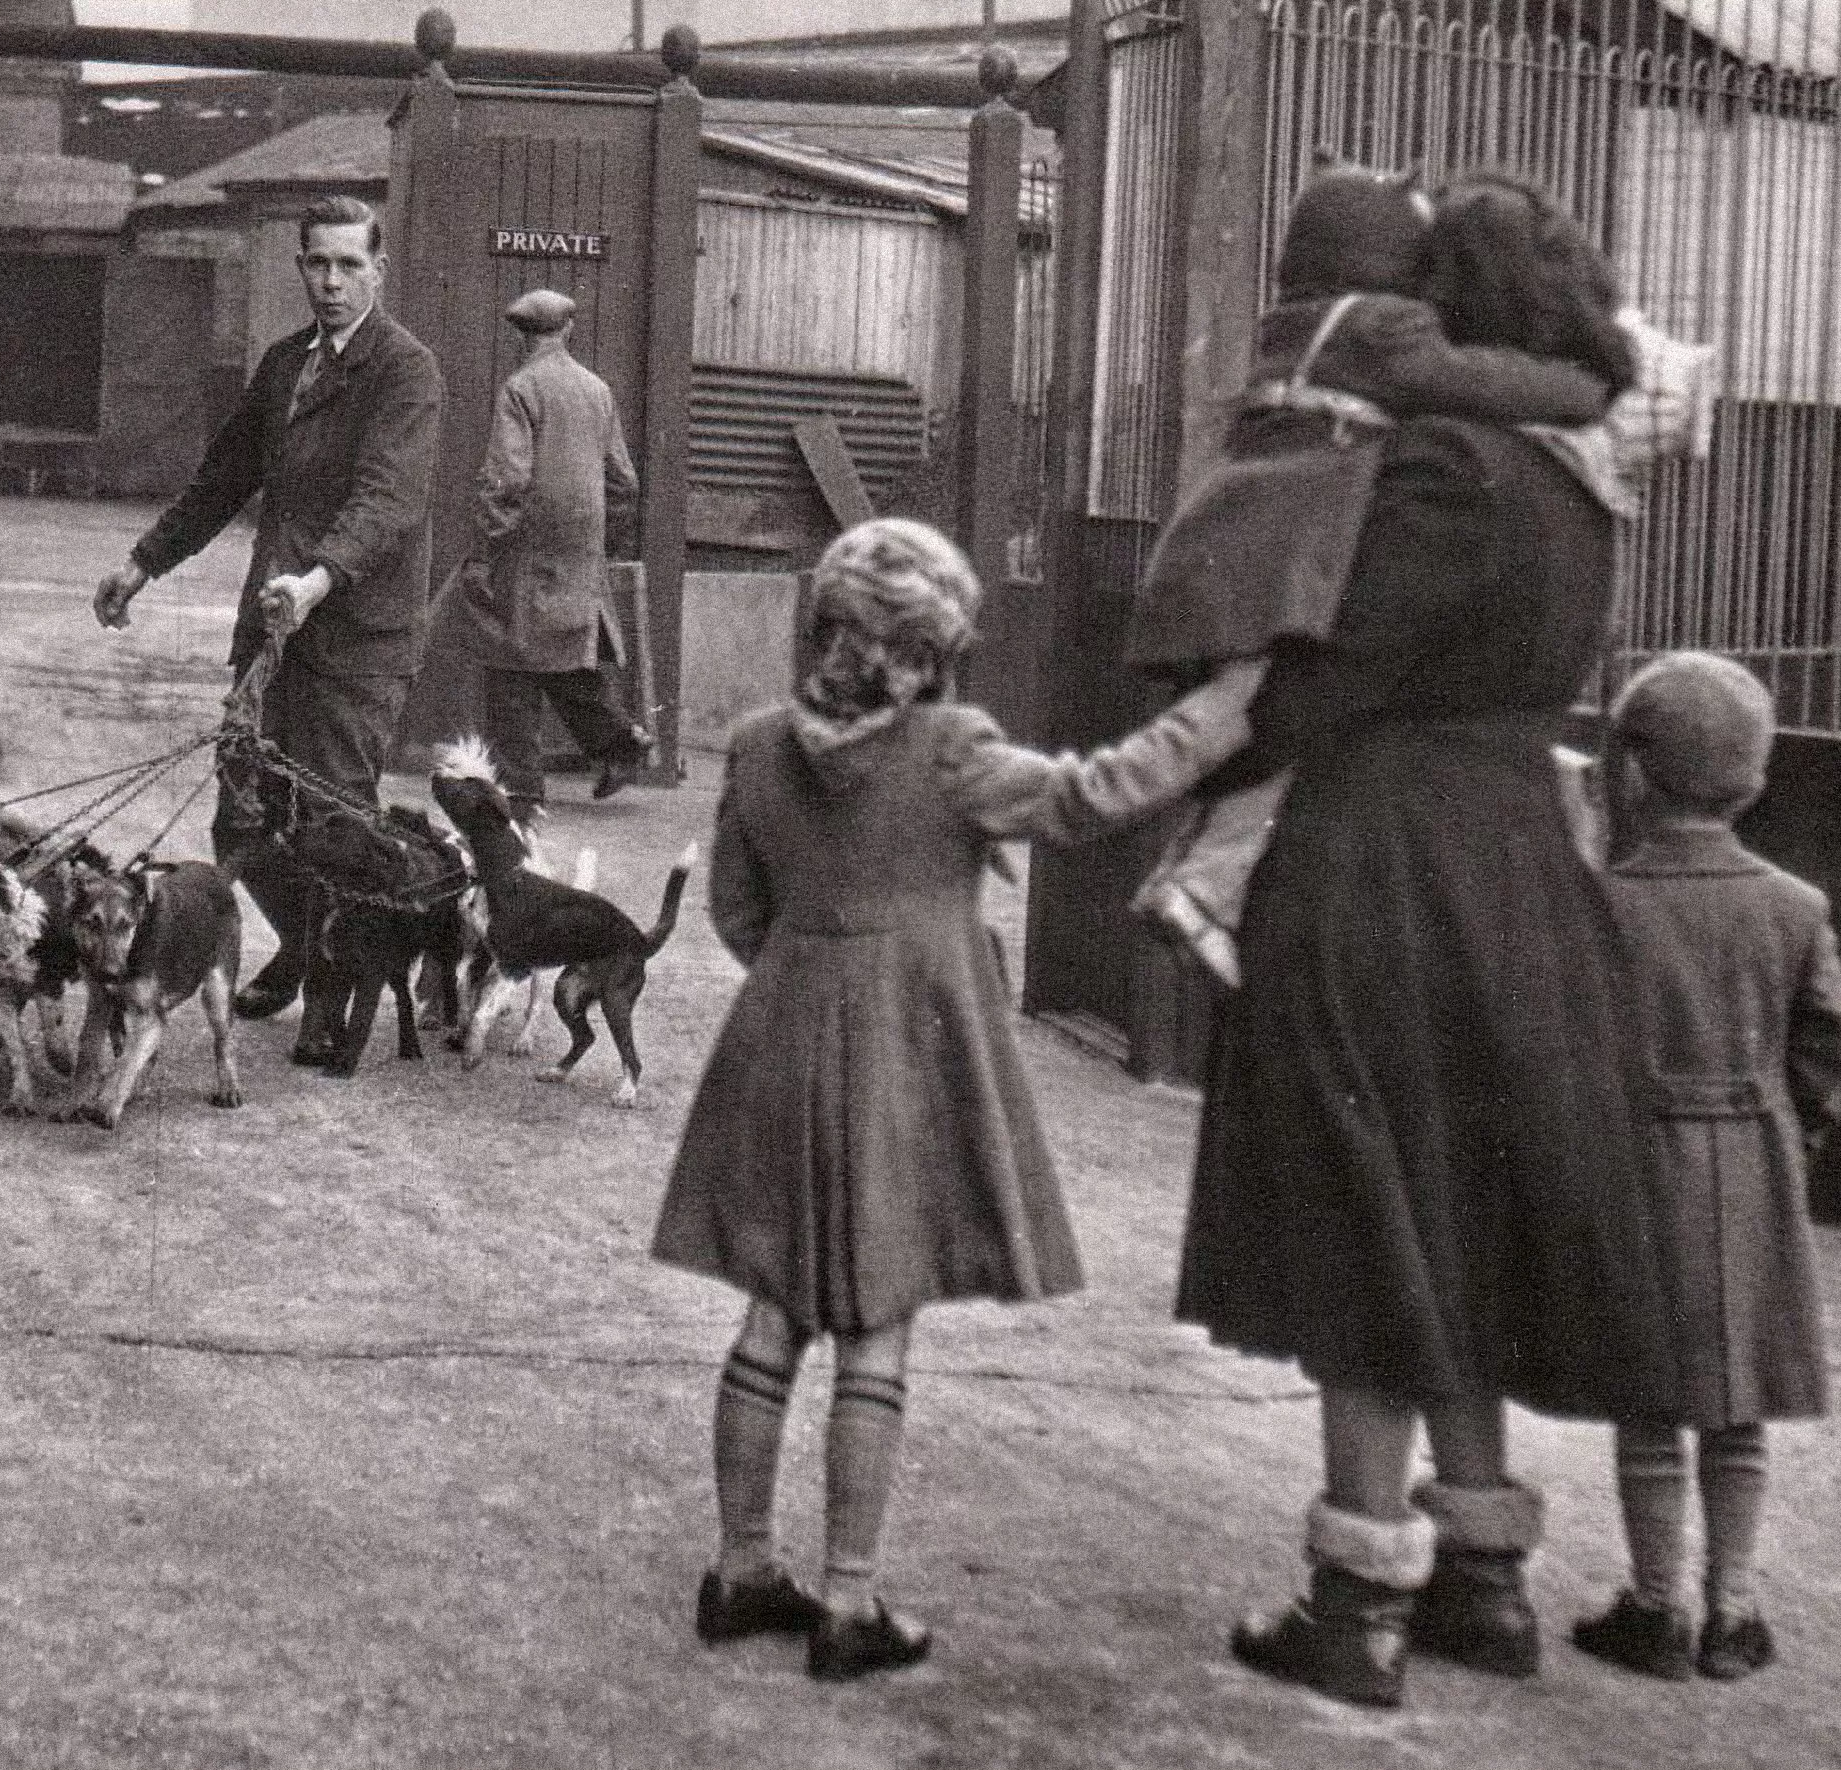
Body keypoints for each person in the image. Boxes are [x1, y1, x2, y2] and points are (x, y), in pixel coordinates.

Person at [1172, 173, 1700, 1709]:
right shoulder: (1581, 477)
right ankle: (1484, 1577)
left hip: (1380, 858)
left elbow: (1330, 678)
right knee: (1459, 1202)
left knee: (1360, 1211)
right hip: (1521, 860)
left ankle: (1355, 1606)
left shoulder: (1442, 467)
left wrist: (1205, 740)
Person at [650, 516, 1265, 1681]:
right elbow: (1094, 797)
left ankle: (738, 1572)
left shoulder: (755, 745)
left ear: (822, 623)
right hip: (903, 1050)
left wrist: (808, 974)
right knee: (876, 1316)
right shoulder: (949, 750)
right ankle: (849, 1603)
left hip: (775, 1039)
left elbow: (737, 917)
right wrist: (1230, 705)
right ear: (931, 649)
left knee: (771, 1310)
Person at [1120, 161, 1616, 985]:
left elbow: (1312, 698)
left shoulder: (1321, 346)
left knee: (1235, 730)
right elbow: (1472, 381)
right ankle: (1200, 880)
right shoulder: (1564, 478)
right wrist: (1580, 389)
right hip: (1472, 841)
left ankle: (1196, 870)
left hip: (1240, 554)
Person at [1571, 652, 1841, 1682]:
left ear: (1631, 776)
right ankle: (1731, 1613)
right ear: (1757, 779)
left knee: (1647, 1404)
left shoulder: (1596, 903)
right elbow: (1826, 1049)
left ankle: (1654, 1610)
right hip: (1753, 1164)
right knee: (1736, 1410)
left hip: (1637, 1170)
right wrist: (1787, 1136)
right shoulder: (1794, 907)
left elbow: (1571, 1053)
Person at [92, 195, 443, 1019]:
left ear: (377, 270)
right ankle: (303, 943)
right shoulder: (286, 364)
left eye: (349, 265)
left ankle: (333, 999)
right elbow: (222, 480)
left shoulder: (405, 368)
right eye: (317, 263)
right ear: (299, 266)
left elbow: (387, 500)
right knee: (242, 824)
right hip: (274, 634)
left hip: (356, 637)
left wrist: (320, 579)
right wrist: (143, 564)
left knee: (336, 824)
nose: (331, 282)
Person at [446, 287, 654, 819]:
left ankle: (521, 794)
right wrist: (600, 541)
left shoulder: (521, 388)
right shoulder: (598, 391)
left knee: (511, 667)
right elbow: (623, 479)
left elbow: (507, 480)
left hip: (529, 552)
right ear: (567, 332)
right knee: (564, 663)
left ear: (523, 336)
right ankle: (623, 745)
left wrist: (488, 545)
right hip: (581, 556)